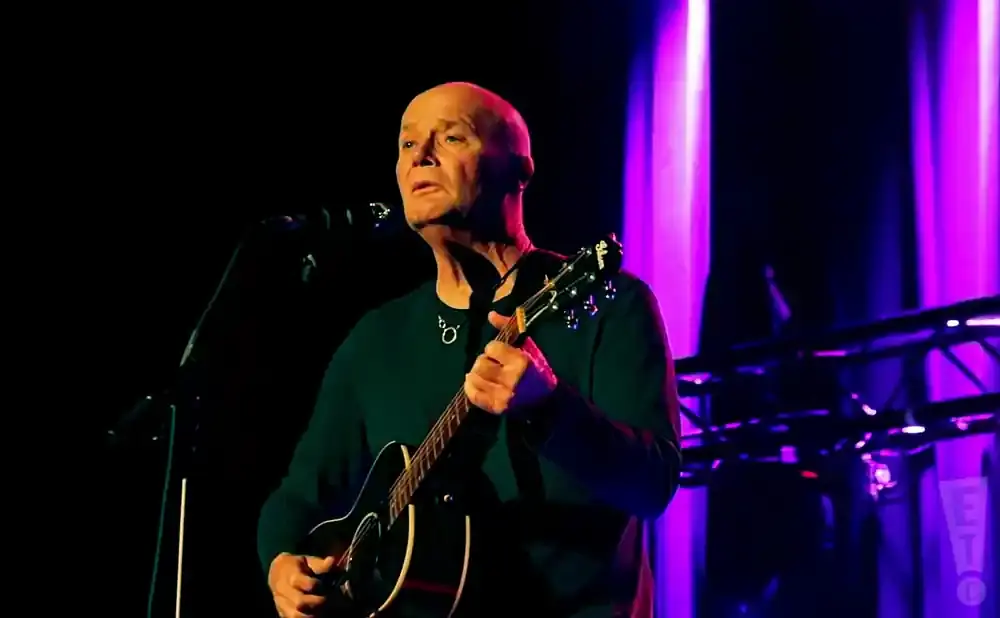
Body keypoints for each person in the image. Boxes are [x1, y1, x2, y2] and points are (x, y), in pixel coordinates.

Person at [258, 81, 682, 617]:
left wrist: (549, 407)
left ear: (520, 171)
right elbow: (298, 499)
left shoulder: (611, 304)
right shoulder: (376, 339)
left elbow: (653, 484)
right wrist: (281, 564)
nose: (422, 157)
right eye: (408, 145)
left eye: (452, 137)